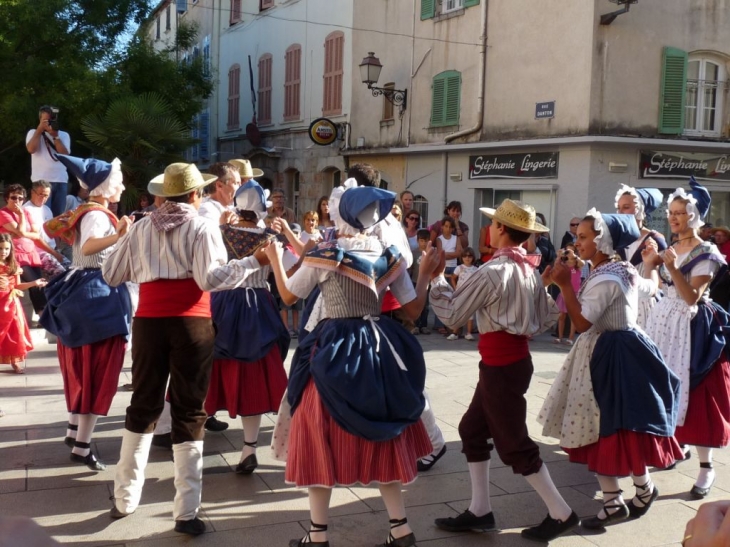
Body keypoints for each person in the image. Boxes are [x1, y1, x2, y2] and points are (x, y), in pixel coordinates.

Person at [102, 162, 270, 536]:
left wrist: (139, 257)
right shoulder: (201, 225)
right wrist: (252, 262)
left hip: (148, 323)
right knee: (190, 410)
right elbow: (210, 279)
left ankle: (124, 498)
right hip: (191, 323)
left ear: (164, 194)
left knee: (143, 404)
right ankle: (185, 512)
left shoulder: (142, 225)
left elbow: (111, 273)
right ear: (194, 194)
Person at [266, 185, 436, 547]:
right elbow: (414, 311)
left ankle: (318, 535)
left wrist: (276, 261)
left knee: (318, 433)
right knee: (383, 431)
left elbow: (287, 296)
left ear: (339, 214)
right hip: (377, 346)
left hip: (334, 346)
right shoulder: (390, 255)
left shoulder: (327, 252)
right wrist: (425, 275)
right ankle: (400, 527)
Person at [427, 199, 579, 542]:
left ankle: (561, 512)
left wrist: (435, 280)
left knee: (513, 443)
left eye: (493, 224)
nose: (489, 229)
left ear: (499, 229)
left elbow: (452, 315)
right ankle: (480, 510)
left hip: (502, 366)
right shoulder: (525, 268)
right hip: (510, 362)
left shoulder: (495, 270)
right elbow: (546, 318)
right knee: (471, 430)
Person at [538, 209, 681, 530]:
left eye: (585, 237)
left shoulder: (606, 277)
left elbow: (582, 321)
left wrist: (564, 285)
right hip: (627, 350)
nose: (578, 241)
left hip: (608, 355)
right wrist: (652, 265)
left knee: (602, 427)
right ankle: (637, 491)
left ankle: (616, 500)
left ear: (603, 241)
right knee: (620, 427)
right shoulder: (621, 269)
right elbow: (649, 285)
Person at [40, 155, 132, 472]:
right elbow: (91, 246)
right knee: (97, 367)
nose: (121, 185)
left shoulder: (88, 210)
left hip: (83, 288)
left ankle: (73, 431)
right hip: (96, 294)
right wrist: (120, 235)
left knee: (82, 364)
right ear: (104, 185)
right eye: (117, 180)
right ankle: (81, 445)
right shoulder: (97, 214)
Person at [643, 177, 730, 500]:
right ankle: (672, 446)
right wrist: (652, 265)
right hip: (663, 321)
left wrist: (672, 268)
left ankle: (707, 467)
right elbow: (656, 284)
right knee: (664, 388)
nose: (674, 217)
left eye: (681, 212)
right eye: (672, 212)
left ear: (694, 216)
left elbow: (692, 297)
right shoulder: (671, 247)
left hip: (693, 330)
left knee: (699, 394)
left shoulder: (707, 251)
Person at [205, 181, 289, 475]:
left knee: (213, 368)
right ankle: (249, 448)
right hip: (258, 307)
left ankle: (191, 439)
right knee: (254, 372)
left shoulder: (221, 232)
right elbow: (288, 269)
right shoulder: (271, 238)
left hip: (222, 304)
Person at [615, 184, 667, 328]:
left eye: (626, 207)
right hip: (619, 304)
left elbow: (664, 279)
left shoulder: (655, 239)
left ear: (640, 210)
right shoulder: (616, 240)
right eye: (618, 208)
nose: (620, 212)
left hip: (645, 306)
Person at [0, 185, 55, 317]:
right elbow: (21, 231)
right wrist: (20, 218)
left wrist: (22, 230)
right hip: (16, 255)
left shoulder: (27, 213)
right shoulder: (3, 213)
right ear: (7, 198)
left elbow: (36, 234)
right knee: (36, 282)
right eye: (13, 197)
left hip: (31, 254)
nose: (17, 201)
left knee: (39, 282)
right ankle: (43, 314)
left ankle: (44, 313)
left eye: (20, 198)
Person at [0, 234, 45, 374]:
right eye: (0, 248)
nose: (3, 252)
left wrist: (34, 283)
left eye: (6, 249)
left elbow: (18, 285)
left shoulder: (14, 265)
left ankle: (14, 362)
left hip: (11, 303)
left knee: (14, 333)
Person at [26, 106, 71, 217]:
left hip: (60, 180)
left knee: (58, 218)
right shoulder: (33, 133)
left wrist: (55, 136)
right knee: (42, 215)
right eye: (46, 120)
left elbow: (64, 155)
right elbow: (31, 149)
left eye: (51, 120)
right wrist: (39, 130)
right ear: (40, 120)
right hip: (41, 181)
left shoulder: (63, 135)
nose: (49, 123)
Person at [553, 243, 584, 345]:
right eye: (567, 251)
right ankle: (559, 337)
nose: (568, 253)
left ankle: (570, 338)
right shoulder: (563, 263)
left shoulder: (577, 264)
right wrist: (558, 257)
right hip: (564, 292)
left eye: (571, 251)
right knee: (561, 315)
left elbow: (583, 263)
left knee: (573, 316)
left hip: (575, 293)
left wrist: (574, 256)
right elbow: (555, 270)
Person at [449, 248, 478, 341]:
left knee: (470, 313)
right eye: (465, 256)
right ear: (462, 257)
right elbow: (453, 278)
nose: (467, 258)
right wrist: (455, 289)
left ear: (473, 257)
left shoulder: (476, 269)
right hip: (460, 294)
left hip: (470, 294)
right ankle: (454, 332)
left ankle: (468, 333)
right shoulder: (459, 268)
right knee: (458, 312)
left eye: (470, 256)